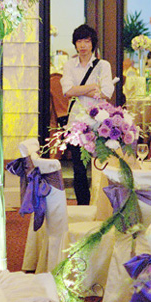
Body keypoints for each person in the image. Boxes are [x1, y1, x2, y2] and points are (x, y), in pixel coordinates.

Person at [60, 23, 115, 205]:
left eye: (87, 41)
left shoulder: (103, 65)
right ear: (75, 44)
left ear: (93, 44)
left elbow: (106, 92)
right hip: (76, 122)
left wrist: (79, 90)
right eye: (79, 41)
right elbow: (67, 91)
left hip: (99, 123)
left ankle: (102, 205)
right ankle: (83, 205)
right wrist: (92, 87)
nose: (83, 45)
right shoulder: (69, 65)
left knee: (102, 165)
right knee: (79, 168)